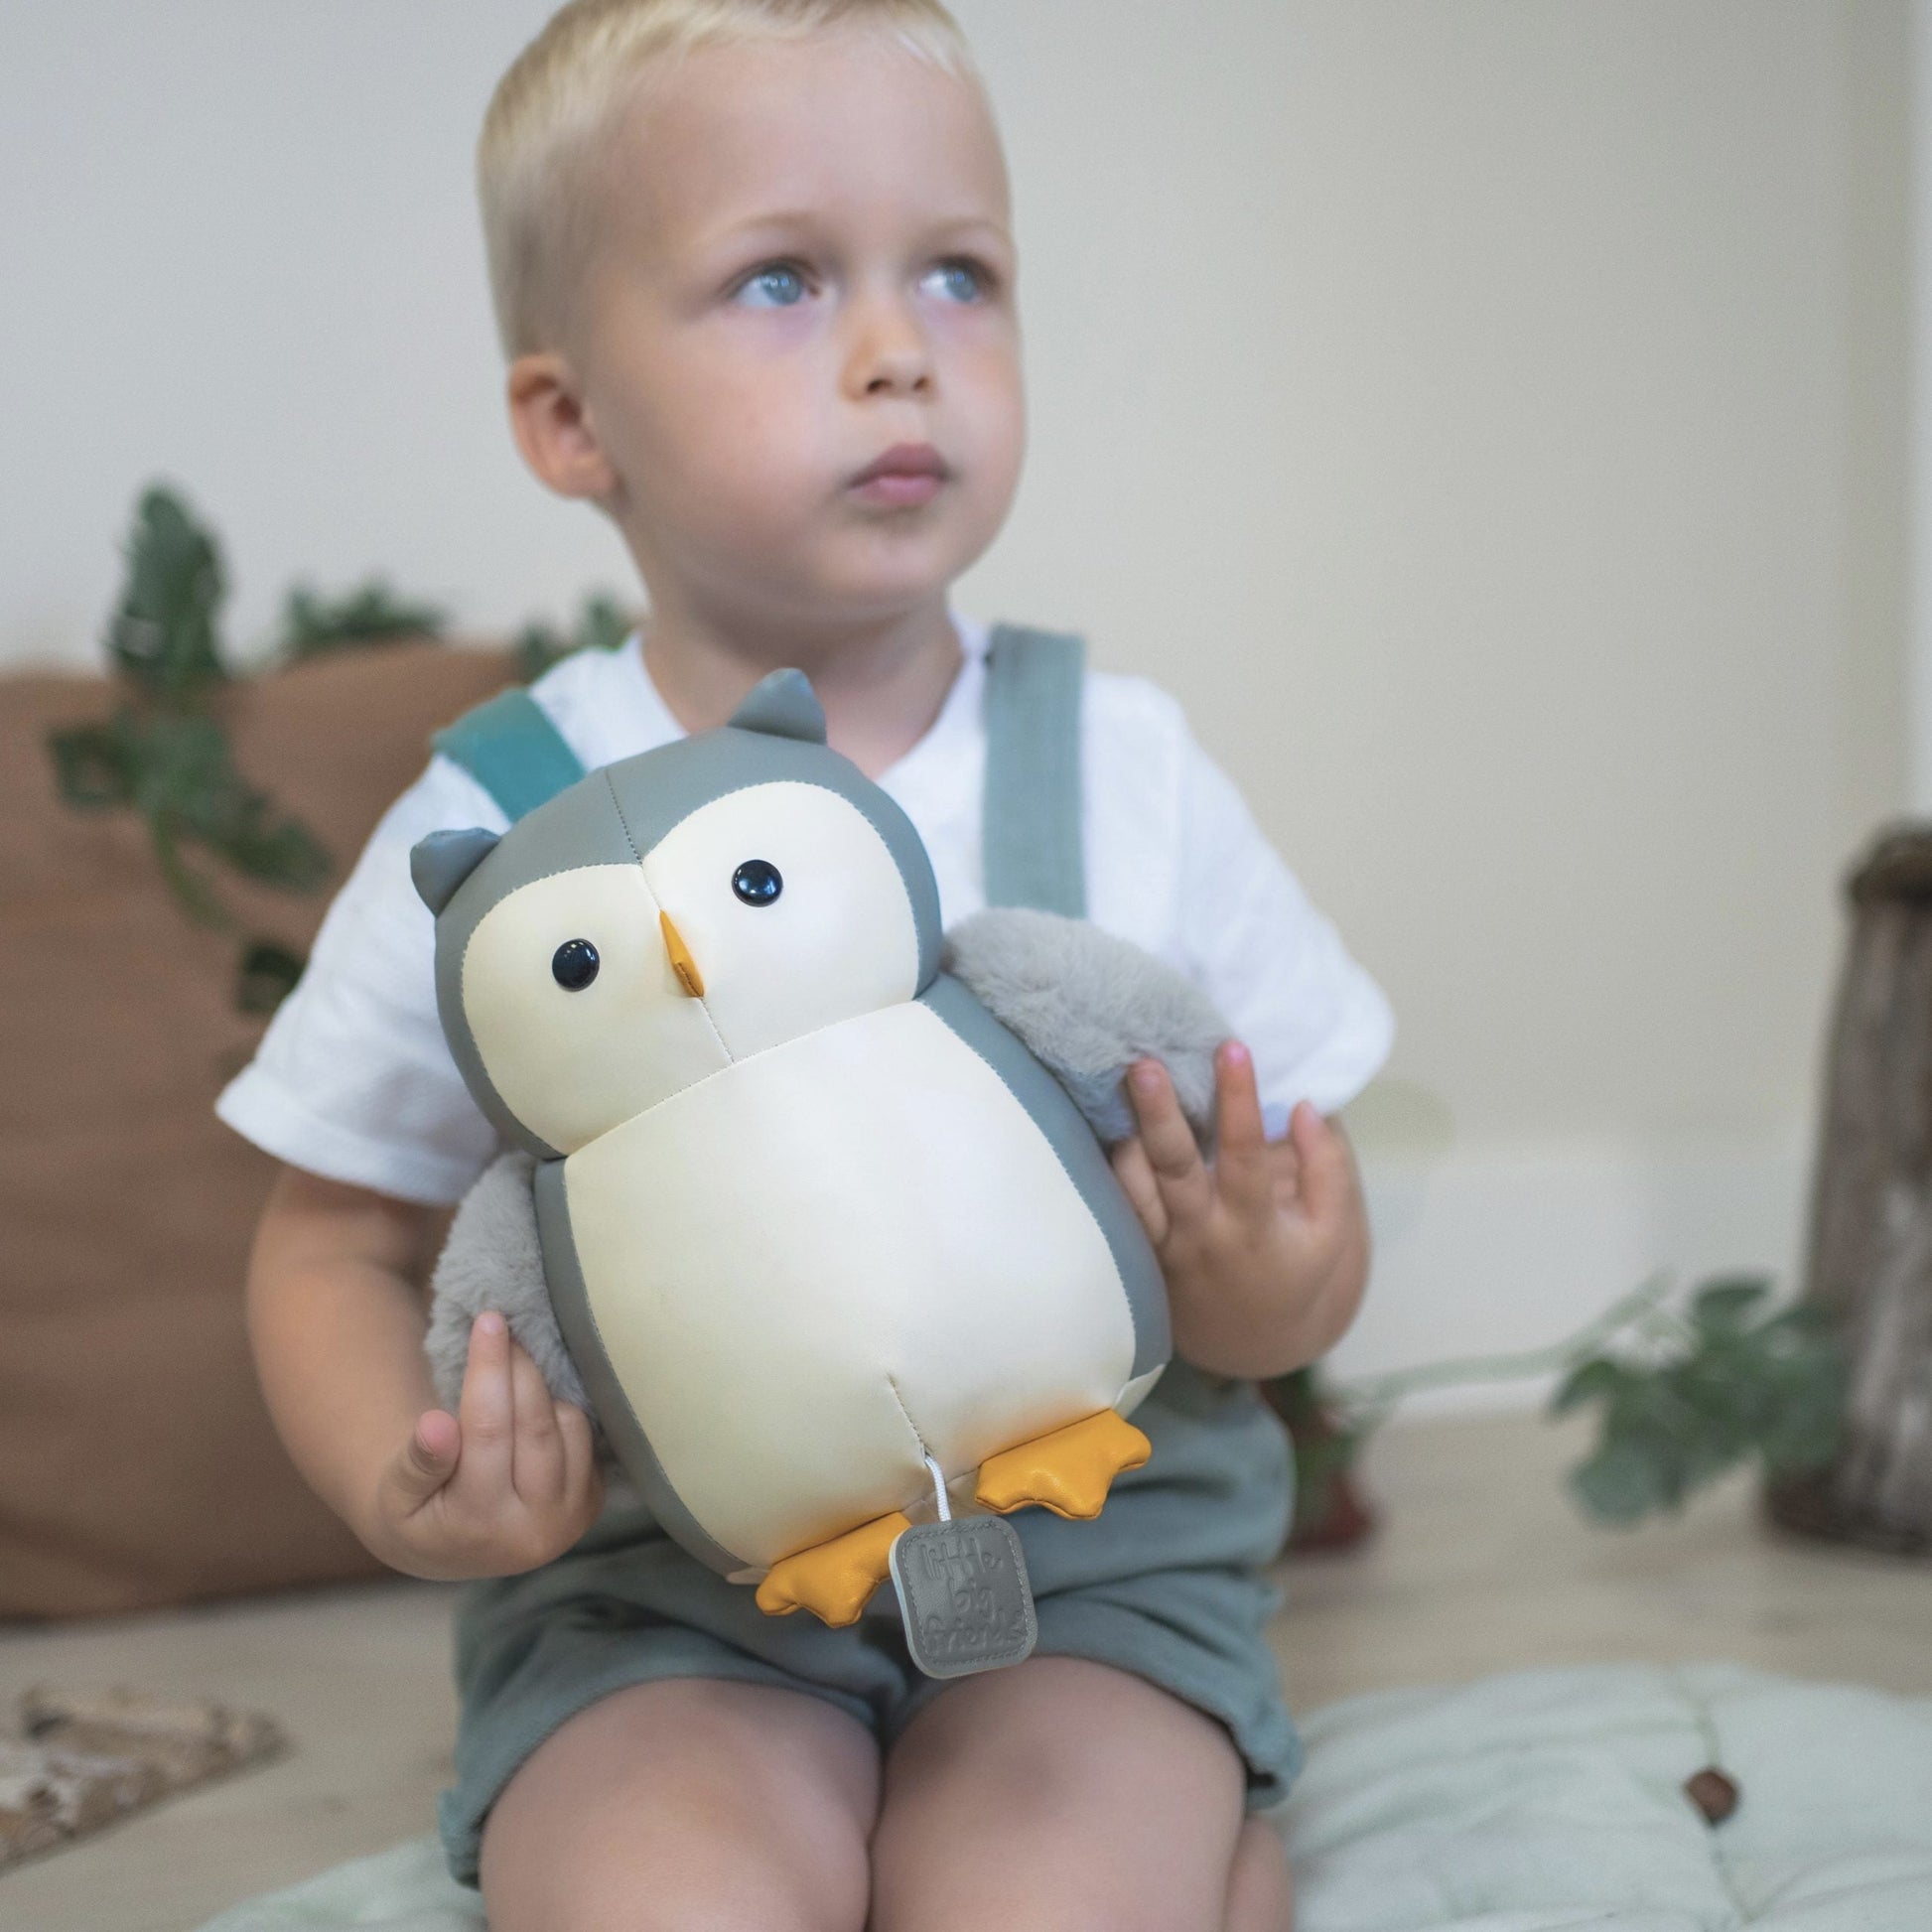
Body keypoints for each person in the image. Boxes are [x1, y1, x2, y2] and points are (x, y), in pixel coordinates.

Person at [217, 2, 1393, 1926]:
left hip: (1093, 1566)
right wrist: (405, 1483)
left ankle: (1185, 1854)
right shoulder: (498, 821)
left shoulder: (1122, 766)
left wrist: (1270, 1286)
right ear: (571, 420)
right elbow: (326, 1237)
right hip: (663, 1600)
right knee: (653, 1896)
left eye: (959, 272)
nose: (898, 347)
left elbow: (1303, 1204)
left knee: (1043, 1898)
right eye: (781, 277)